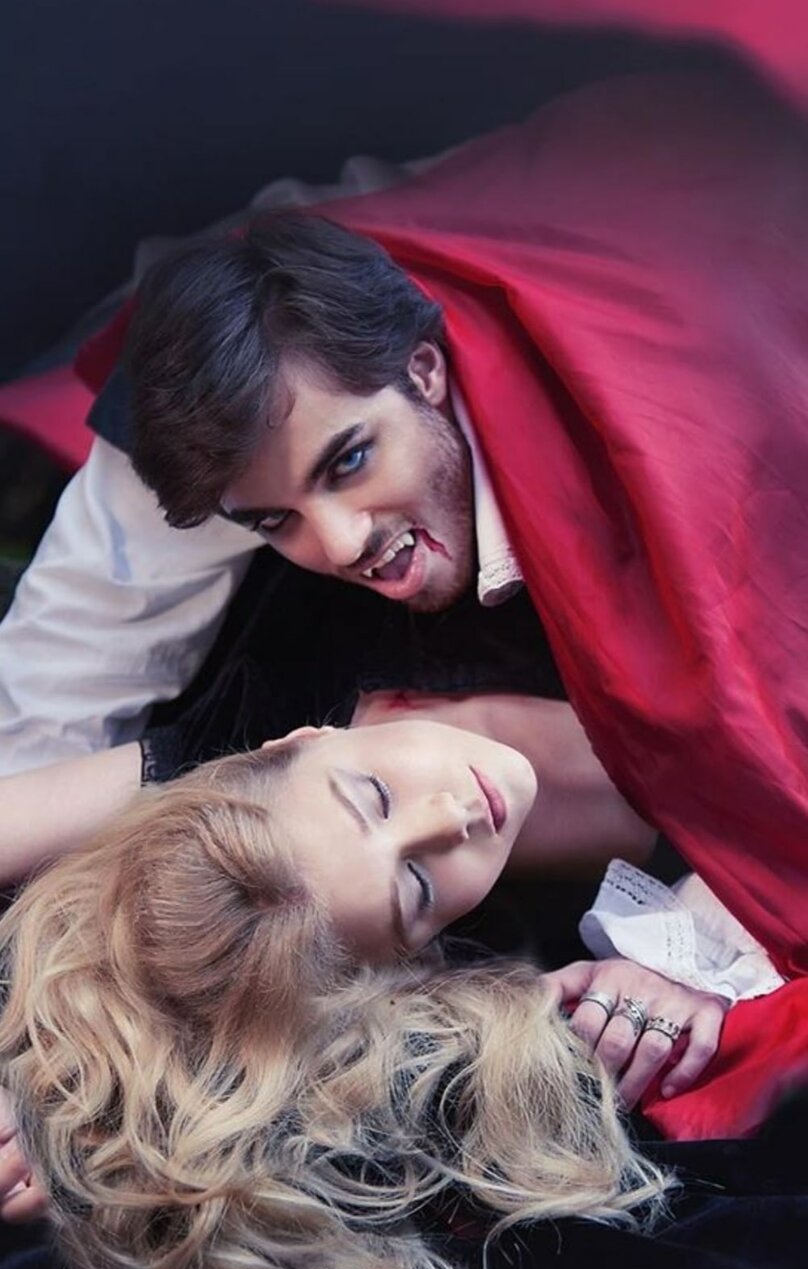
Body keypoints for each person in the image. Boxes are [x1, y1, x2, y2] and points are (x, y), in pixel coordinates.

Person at [0, 66, 806, 978]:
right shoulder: (199, 406)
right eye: (275, 519)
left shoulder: (689, 425)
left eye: (348, 462)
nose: (342, 542)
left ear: (425, 372)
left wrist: (688, 948)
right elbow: (61, 684)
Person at [1, 715, 746, 1269]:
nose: (453, 816)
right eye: (416, 885)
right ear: (416, 960)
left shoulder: (261, 714)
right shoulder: (495, 979)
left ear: (298, 737)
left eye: (376, 796)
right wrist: (675, 946)